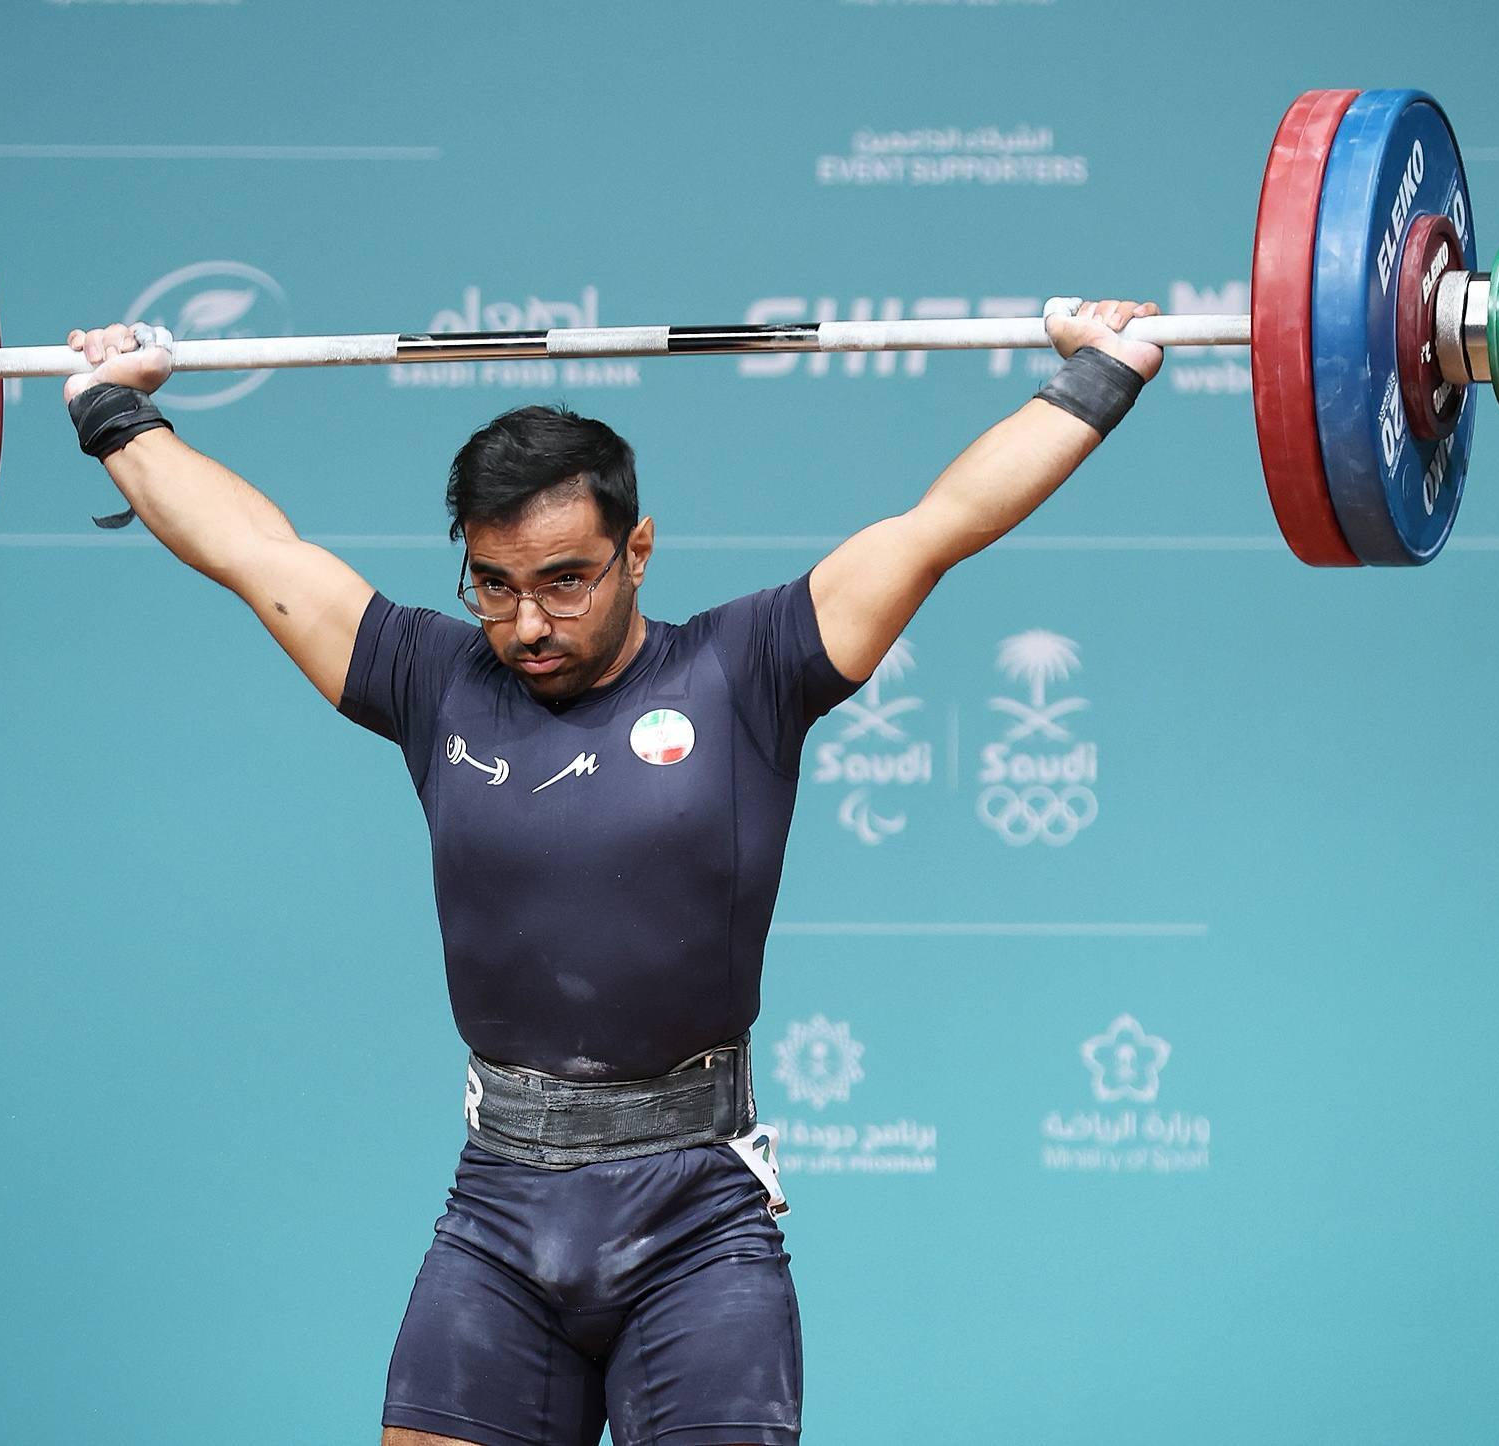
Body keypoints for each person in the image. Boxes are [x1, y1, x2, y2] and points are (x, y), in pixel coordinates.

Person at [60, 299, 1163, 1446]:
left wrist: (1103, 371)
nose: (528, 622)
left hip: (695, 1217)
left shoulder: (747, 668)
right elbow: (253, 552)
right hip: (499, 1205)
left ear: (638, 550)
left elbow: (938, 526)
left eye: (566, 580)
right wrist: (113, 410)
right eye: (493, 584)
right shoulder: (433, 680)